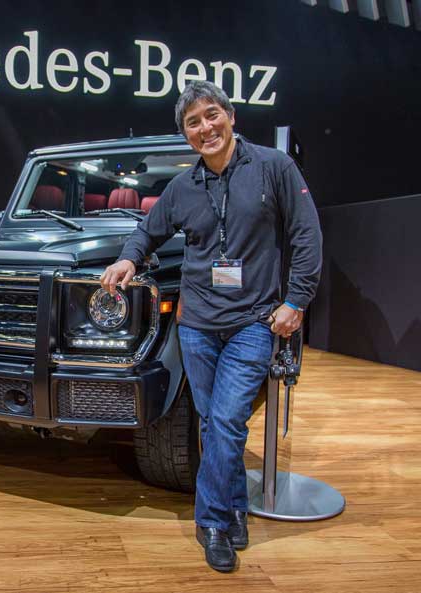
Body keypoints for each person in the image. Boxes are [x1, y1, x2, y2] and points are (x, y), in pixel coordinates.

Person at [100, 81, 322, 572]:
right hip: (197, 326)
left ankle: (213, 522)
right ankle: (236, 506)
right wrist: (127, 261)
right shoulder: (182, 187)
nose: (206, 128)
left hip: (253, 322)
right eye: (193, 123)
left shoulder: (274, 168)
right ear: (187, 135)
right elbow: (147, 232)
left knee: (224, 422)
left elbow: (307, 234)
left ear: (231, 115)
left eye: (211, 115)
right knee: (217, 424)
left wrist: (296, 300)